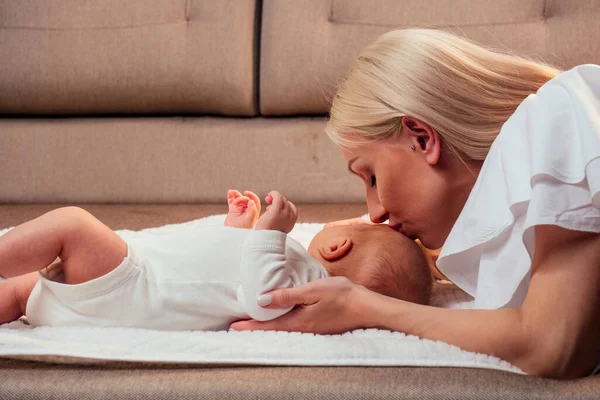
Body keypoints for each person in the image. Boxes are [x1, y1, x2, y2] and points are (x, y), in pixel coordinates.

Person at [230, 28, 600, 379]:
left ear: (422, 138)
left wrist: (360, 306)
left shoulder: (563, 109)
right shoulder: (502, 214)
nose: (375, 212)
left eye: (371, 177)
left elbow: (555, 347)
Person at [0, 190, 432, 331]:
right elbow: (221, 274)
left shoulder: (306, 274)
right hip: (124, 296)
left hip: (133, 286)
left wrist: (269, 233)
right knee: (25, 293)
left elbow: (265, 297)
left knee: (72, 225)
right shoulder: (291, 269)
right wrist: (239, 230)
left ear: (338, 248)